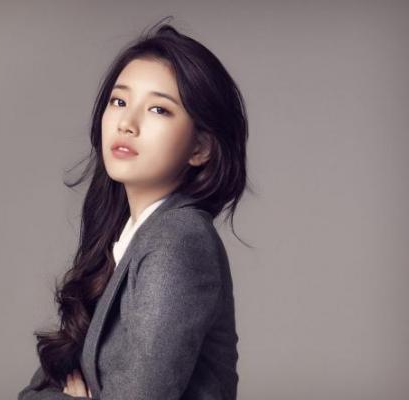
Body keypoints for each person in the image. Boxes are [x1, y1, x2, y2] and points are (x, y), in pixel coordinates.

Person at [18, 16, 249, 400]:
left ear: (200, 148)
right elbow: (31, 393)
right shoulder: (127, 240)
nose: (127, 122)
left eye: (159, 109)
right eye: (119, 101)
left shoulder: (178, 241)